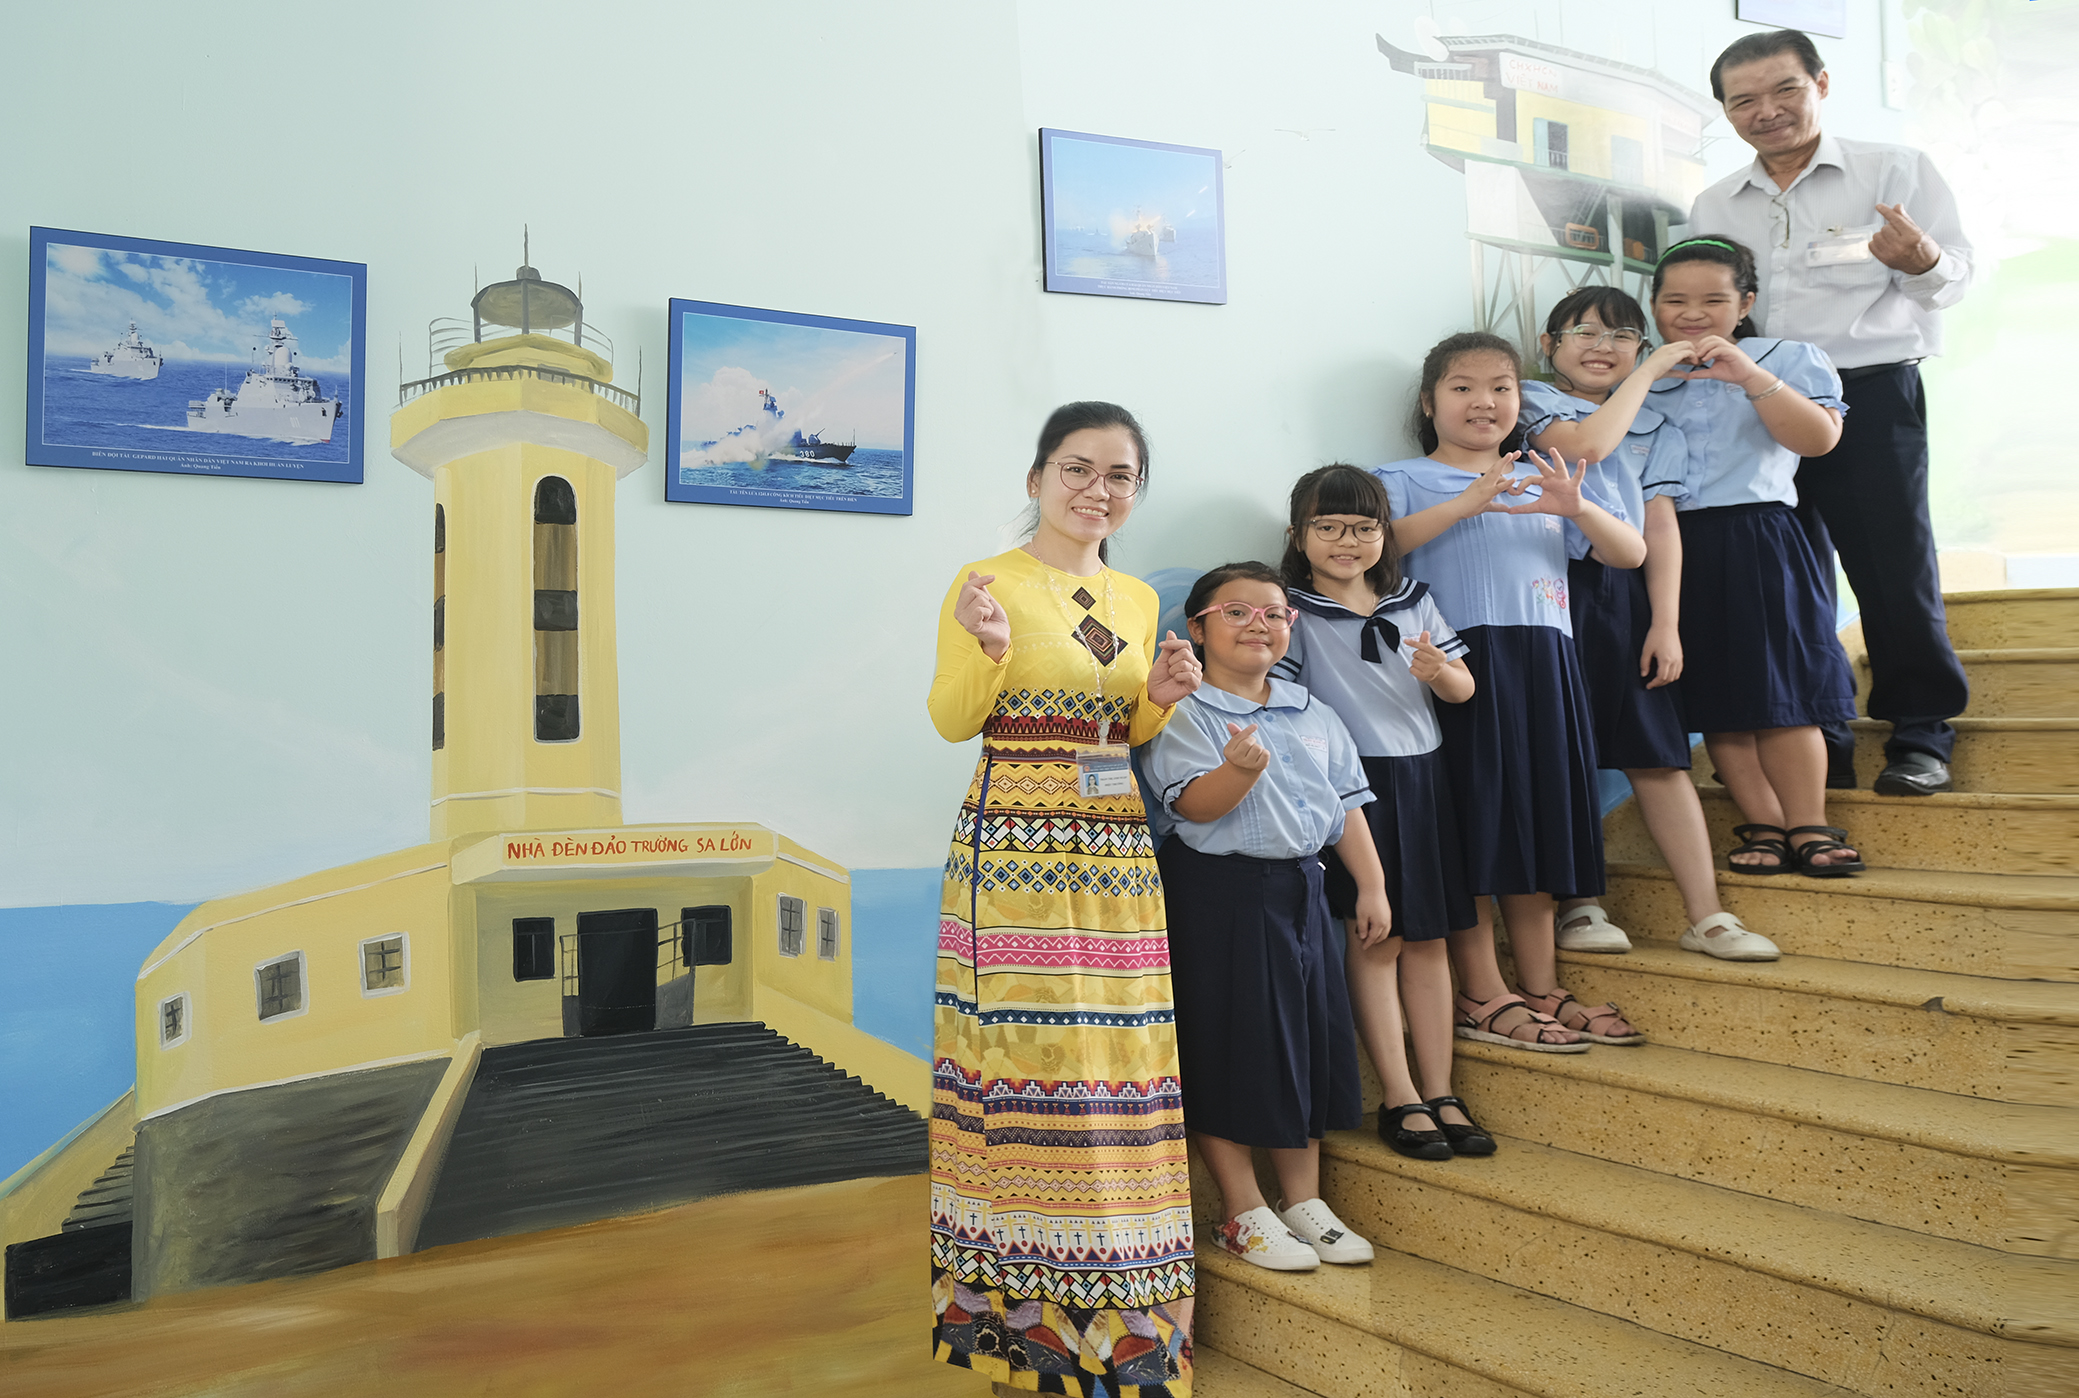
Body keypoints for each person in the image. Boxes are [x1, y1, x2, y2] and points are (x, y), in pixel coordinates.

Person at [927, 401, 1202, 1396]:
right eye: (1077, 468)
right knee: (1025, 1063)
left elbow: (1122, 729)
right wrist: (990, 648)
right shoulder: (985, 580)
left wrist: (1160, 695)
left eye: (1119, 475)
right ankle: (1020, 1327)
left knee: (1122, 1059)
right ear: (1038, 477)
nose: (1097, 489)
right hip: (1013, 846)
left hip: (1114, 843)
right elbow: (952, 719)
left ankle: (1132, 1331)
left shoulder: (1136, 597)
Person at [1690, 27, 1973, 796]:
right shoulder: (1713, 203)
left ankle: (1920, 732)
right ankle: (1821, 739)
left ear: (1819, 83)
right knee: (1788, 581)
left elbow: (1955, 275)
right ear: (1726, 112)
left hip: (1868, 391)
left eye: (1783, 88)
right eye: (1743, 100)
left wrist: (1922, 261)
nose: (1766, 111)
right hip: (1757, 402)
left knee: (1891, 569)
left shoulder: (1893, 170)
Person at [1376, 333, 1647, 1051]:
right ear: (1429, 402)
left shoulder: (1544, 475)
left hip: (1545, 662)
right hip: (1455, 666)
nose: (1484, 401)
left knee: (1537, 823)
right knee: (1474, 826)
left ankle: (1541, 985)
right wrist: (1465, 504)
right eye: (1462, 387)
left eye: (1501, 387)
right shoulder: (1398, 478)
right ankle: (1482, 990)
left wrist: (1577, 507)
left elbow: (1629, 553)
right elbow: (1374, 552)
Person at [1521, 287, 1784, 962]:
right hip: (1544, 586)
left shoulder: (1658, 427)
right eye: (1583, 332)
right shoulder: (1527, 399)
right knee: (1564, 750)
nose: (1602, 347)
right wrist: (1651, 370)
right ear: (1549, 346)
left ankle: (1707, 917)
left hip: (1625, 593)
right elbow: (1586, 442)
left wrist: (1665, 623)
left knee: (1658, 753)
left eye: (1621, 337)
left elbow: (1661, 527)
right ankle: (1579, 905)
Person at [1139, 562, 1386, 1272]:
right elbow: (1191, 806)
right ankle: (1242, 1210)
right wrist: (1238, 771)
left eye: (1274, 613)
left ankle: (1303, 1200)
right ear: (1197, 628)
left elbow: (1346, 805)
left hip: (1303, 890)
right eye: (1237, 612)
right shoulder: (1181, 709)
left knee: (1307, 1040)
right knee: (1228, 1045)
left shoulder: (1313, 711)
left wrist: (1371, 887)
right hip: (1218, 893)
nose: (1259, 625)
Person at [1272, 465, 1503, 1157]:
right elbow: (1277, 703)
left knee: (1429, 938)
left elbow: (1464, 688)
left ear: (1385, 534)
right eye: (1329, 527)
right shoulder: (1292, 614)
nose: (1347, 541)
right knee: (1377, 938)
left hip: (1425, 780)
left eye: (1363, 527)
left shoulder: (1413, 601)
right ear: (1299, 535)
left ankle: (1442, 1091)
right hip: (1352, 788)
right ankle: (1399, 1097)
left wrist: (1442, 673)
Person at [1644, 237, 1865, 879]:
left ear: (1745, 303)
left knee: (1783, 689)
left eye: (1713, 299)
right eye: (1675, 300)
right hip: (1673, 543)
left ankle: (1809, 825)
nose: (1692, 313)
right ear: (1654, 306)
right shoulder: (1644, 376)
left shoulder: (1788, 358)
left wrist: (1749, 375)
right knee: (1718, 694)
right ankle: (1763, 823)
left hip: (1760, 534)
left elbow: (1819, 440)